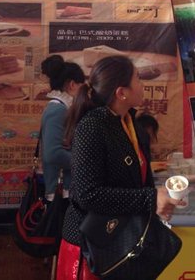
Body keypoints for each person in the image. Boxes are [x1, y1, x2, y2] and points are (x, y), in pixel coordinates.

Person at [56, 55, 183, 279]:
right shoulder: (92, 127)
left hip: (122, 240)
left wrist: (156, 203)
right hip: (92, 248)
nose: (143, 85)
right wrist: (150, 199)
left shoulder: (129, 122)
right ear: (121, 93)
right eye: (137, 79)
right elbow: (88, 195)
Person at [40, 55, 85, 199]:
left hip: (64, 189)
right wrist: (85, 162)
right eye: (82, 87)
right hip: (60, 192)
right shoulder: (58, 109)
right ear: (72, 85)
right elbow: (53, 153)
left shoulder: (62, 108)